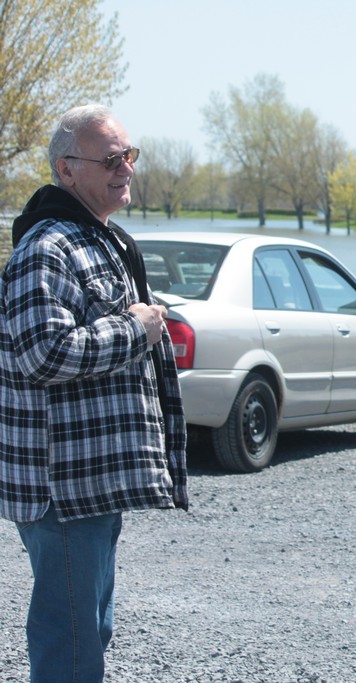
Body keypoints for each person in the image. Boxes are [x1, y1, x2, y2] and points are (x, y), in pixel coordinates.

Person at [0, 104, 188, 682]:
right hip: (61, 489)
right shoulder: (48, 248)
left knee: (88, 633)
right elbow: (43, 353)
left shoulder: (98, 239)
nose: (124, 168)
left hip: (93, 485)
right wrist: (136, 328)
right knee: (71, 644)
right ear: (66, 169)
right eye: (109, 159)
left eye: (128, 155)